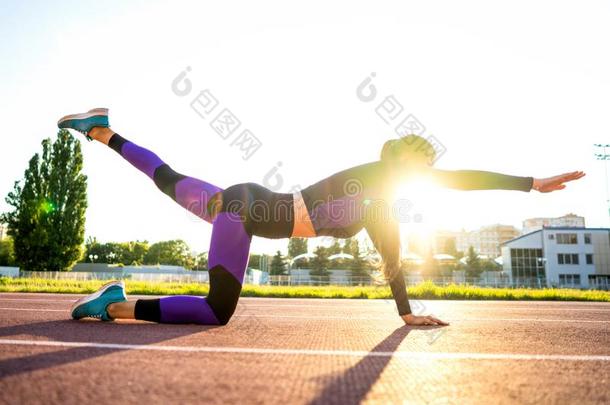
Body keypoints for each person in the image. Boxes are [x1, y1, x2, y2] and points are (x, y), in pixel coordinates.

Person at [61, 108, 585, 326]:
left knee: (166, 177)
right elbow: (458, 180)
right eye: (425, 162)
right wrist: (530, 183)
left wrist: (405, 313)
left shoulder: (381, 206)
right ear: (405, 159)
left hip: (241, 203)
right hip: (245, 209)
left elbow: (393, 259)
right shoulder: (378, 174)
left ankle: (103, 131)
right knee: (217, 311)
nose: (431, 171)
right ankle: (115, 304)